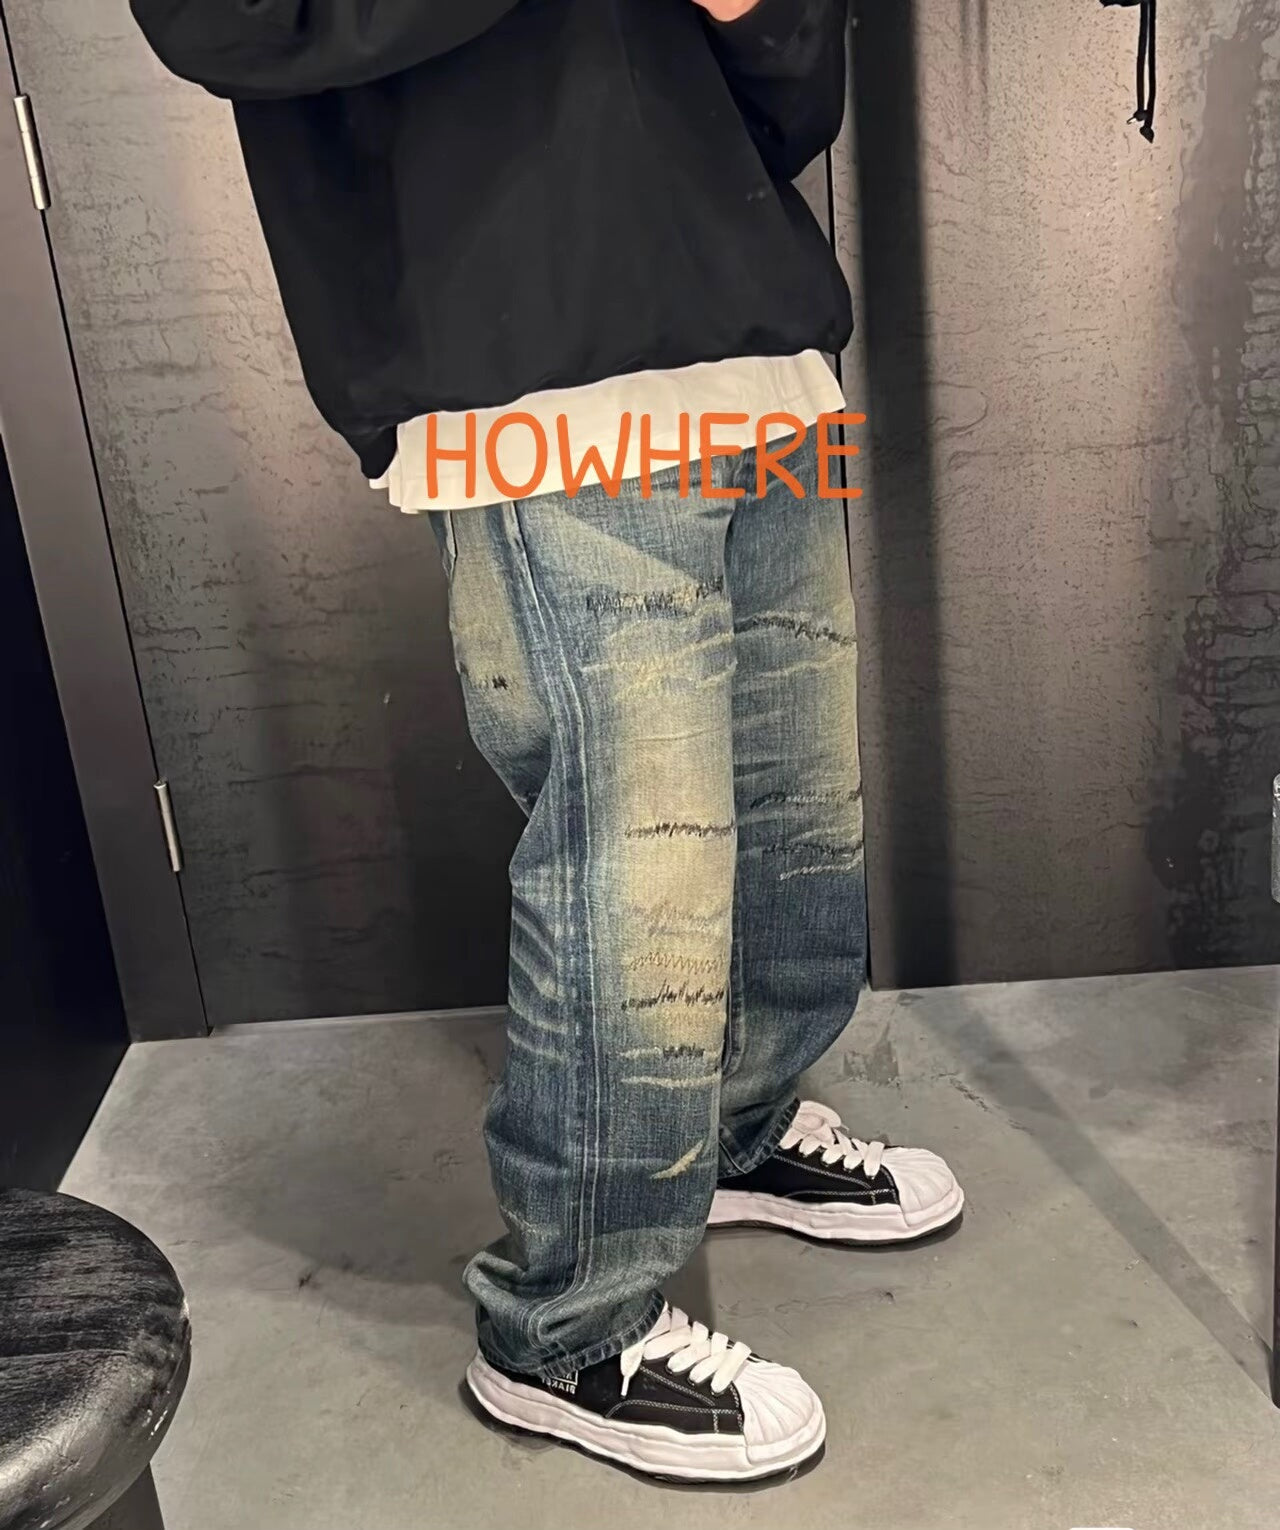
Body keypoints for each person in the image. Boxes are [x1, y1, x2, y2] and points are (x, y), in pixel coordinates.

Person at [131, 0, 963, 1483]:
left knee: (796, 811)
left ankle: (737, 1125)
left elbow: (791, 108)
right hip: (522, 358)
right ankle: (567, 1324)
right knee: (637, 865)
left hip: (754, 340)